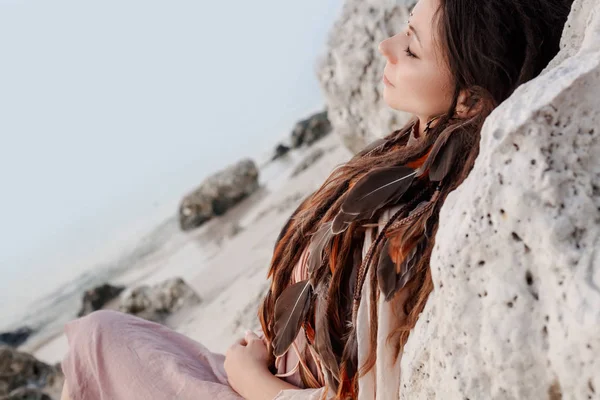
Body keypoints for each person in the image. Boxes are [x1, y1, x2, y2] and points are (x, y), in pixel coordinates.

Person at [60, 0, 573, 398]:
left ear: (470, 101)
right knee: (100, 337)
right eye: (403, 29)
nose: (386, 47)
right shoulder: (404, 155)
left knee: (99, 339)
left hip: (262, 390)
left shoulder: (411, 228)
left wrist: (250, 378)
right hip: (255, 370)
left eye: (412, 49)